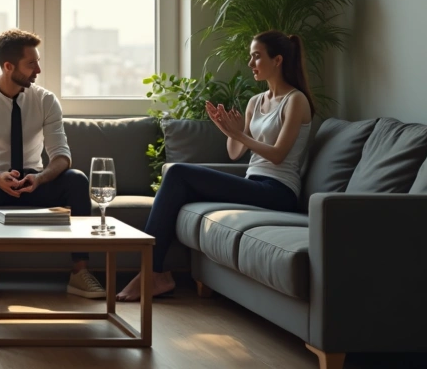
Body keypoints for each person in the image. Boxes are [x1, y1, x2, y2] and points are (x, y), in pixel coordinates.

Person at [117, 30, 315, 301]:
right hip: (254, 183)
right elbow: (235, 153)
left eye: (256, 57)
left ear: (277, 60)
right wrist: (229, 131)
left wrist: (241, 135)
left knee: (177, 173)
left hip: (279, 192)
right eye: (250, 57)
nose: (250, 64)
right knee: (179, 183)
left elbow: (278, 154)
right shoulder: (257, 102)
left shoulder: (296, 100)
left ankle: (152, 272)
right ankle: (155, 272)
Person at [0, 29, 106, 300]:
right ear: (9, 67)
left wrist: (41, 178)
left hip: (35, 182)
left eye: (37, 62)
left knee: (76, 179)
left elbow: (62, 156)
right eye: (31, 64)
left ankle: (79, 273)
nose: (38, 70)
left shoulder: (45, 100)